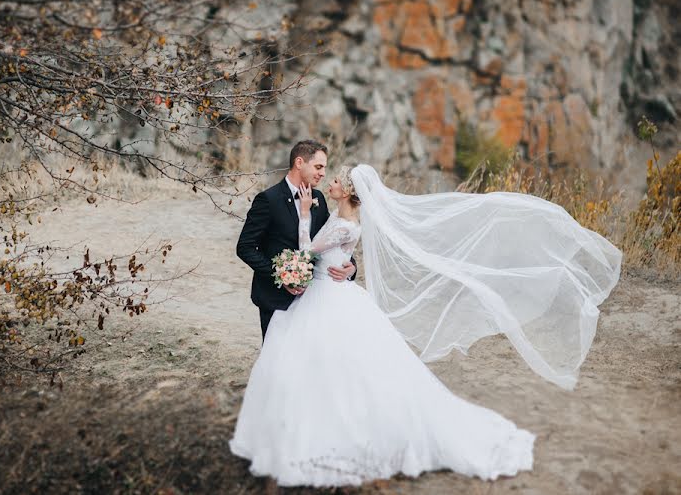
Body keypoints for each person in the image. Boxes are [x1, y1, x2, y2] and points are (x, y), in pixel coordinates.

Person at [229, 164, 622, 487]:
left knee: (336, 368)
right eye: (325, 172)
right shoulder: (343, 218)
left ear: (347, 191)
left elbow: (306, 251)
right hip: (330, 296)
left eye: (335, 178)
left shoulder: (339, 223)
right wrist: (342, 264)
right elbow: (332, 256)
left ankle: (334, 437)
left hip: (326, 300)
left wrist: (302, 224)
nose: (328, 180)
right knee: (340, 368)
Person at [236, 139, 356, 339]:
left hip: (313, 299)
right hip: (275, 299)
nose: (323, 173)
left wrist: (350, 266)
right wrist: (281, 276)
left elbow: (330, 240)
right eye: (318, 167)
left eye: (324, 168)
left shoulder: (319, 198)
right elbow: (245, 247)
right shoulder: (268, 200)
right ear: (299, 163)